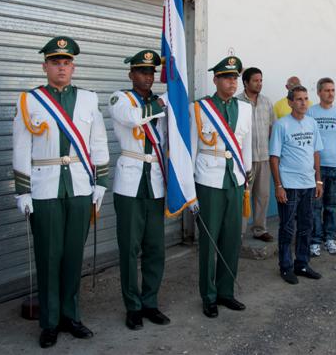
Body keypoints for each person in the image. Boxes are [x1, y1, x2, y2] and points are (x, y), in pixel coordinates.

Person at [13, 36, 109, 348]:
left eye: (66, 62)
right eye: (56, 62)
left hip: (80, 187)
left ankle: (71, 316)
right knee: (48, 256)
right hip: (45, 188)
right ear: (45, 66)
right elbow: (21, 147)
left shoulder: (88, 99)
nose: (61, 67)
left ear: (74, 66)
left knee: (72, 256)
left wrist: (100, 183)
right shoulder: (30, 101)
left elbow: (98, 143)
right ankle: (50, 322)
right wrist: (22, 191)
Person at [108, 50, 176, 330]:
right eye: (141, 71)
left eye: (151, 72)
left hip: (156, 180)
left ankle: (150, 302)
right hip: (130, 181)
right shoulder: (120, 99)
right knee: (129, 248)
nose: (147, 77)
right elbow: (135, 118)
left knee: (155, 248)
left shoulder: (161, 103)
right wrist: (165, 101)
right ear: (131, 74)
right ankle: (132, 306)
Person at [190, 56, 252, 318]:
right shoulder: (200, 108)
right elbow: (192, 146)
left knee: (231, 238)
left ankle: (226, 292)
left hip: (235, 179)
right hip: (208, 179)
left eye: (235, 77)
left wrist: (246, 178)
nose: (232, 81)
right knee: (209, 240)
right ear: (215, 79)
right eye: (227, 77)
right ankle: (209, 295)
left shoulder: (245, 108)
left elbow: (246, 144)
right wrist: (190, 189)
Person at [269, 86, 324, 284]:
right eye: (299, 99)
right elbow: (274, 157)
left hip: (309, 184)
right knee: (287, 227)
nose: (303, 102)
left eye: (305, 99)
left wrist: (318, 180)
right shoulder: (281, 125)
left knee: (306, 225)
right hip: (289, 185)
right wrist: (278, 185)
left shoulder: (312, 123)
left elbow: (316, 152)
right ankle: (285, 266)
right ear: (290, 102)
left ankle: (302, 263)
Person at [308, 78, 336, 256]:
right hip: (315, 167)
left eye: (333, 90)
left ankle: (330, 239)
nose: (331, 93)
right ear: (319, 92)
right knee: (315, 206)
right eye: (327, 90)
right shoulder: (311, 112)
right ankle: (315, 240)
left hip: (334, 165)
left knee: (332, 205)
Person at [237, 67, 275, 242]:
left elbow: (271, 128)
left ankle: (260, 229)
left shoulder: (267, 102)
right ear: (245, 82)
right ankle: (239, 232)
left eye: (261, 80)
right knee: (243, 196)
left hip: (264, 157)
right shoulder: (237, 102)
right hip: (244, 160)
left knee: (263, 195)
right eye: (255, 81)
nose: (259, 84)